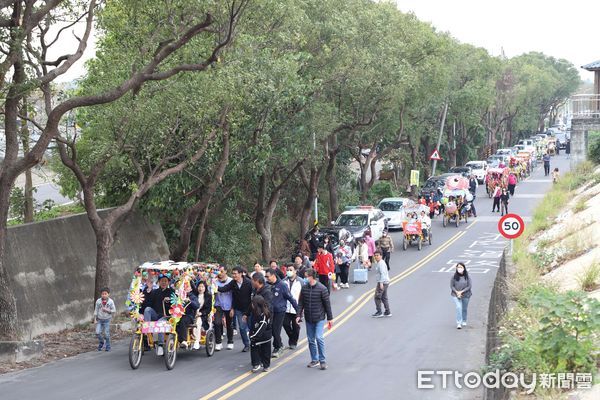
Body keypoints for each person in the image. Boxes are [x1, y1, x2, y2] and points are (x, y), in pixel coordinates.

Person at [297, 268, 333, 370]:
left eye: (306, 276)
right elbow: (301, 303)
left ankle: (322, 361)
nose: (305, 278)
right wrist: (298, 315)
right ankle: (314, 359)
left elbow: (327, 305)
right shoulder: (304, 288)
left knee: (319, 338)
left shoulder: (322, 289)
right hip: (309, 318)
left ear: (311, 277)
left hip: (319, 318)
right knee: (311, 340)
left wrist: (330, 318)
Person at [217, 266, 253, 352]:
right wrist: (213, 285)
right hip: (239, 309)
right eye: (232, 274)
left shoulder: (248, 282)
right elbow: (224, 289)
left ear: (240, 274)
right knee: (242, 328)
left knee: (251, 327)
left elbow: (254, 294)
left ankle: (254, 343)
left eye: (235, 274)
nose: (233, 275)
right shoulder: (233, 283)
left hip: (249, 308)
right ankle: (246, 345)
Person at [265, 268, 299, 358]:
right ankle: (279, 344)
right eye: (265, 277)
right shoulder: (267, 285)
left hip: (280, 311)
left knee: (276, 330)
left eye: (268, 276)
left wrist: (298, 312)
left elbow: (291, 298)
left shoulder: (282, 285)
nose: (266, 278)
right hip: (269, 312)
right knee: (271, 330)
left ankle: (278, 347)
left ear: (273, 275)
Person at [142, 274, 174, 355]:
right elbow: (147, 302)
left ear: (168, 282)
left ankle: (160, 345)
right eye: (162, 281)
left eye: (165, 281)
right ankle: (147, 331)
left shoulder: (171, 292)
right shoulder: (155, 292)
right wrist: (148, 290)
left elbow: (175, 303)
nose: (163, 282)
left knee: (160, 322)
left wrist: (169, 300)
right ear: (159, 282)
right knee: (147, 309)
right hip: (156, 314)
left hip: (166, 316)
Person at [249, 295, 273, 373]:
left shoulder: (264, 315)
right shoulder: (255, 312)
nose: (251, 305)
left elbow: (261, 328)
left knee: (264, 350)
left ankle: (260, 364)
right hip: (260, 334)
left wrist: (253, 336)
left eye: (253, 303)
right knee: (261, 349)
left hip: (264, 336)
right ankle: (261, 363)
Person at [283, 265, 303, 349]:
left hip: (297, 308)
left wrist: (302, 308)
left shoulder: (301, 281)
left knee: (296, 326)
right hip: (286, 308)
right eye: (287, 270)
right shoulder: (283, 281)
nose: (289, 271)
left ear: (295, 271)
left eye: (291, 270)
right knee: (285, 324)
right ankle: (292, 337)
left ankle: (293, 342)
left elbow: (304, 295)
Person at [214, 267, 234, 351]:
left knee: (229, 324)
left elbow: (234, 294)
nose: (220, 273)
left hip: (229, 305)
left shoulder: (231, 281)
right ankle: (218, 343)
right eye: (219, 272)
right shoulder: (214, 281)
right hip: (218, 304)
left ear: (226, 271)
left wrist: (233, 307)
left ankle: (230, 342)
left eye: (222, 271)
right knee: (217, 323)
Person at [176, 284, 200, 348]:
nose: (185, 288)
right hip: (177, 315)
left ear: (190, 289)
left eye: (187, 286)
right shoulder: (177, 295)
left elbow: (197, 306)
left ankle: (183, 340)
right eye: (183, 286)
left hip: (189, 316)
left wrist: (190, 301)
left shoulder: (192, 296)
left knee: (182, 320)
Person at [450, 262, 472, 329]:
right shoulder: (454, 276)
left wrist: (462, 291)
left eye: (461, 267)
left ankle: (464, 320)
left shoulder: (467, 276)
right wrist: (457, 292)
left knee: (464, 308)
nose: (459, 268)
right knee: (458, 307)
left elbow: (469, 286)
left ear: (464, 268)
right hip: (455, 294)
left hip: (466, 294)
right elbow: (451, 286)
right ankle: (459, 323)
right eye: (458, 267)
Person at [94, 287, 116, 352]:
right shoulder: (98, 301)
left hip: (107, 320)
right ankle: (102, 342)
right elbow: (96, 310)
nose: (104, 295)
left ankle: (108, 346)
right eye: (102, 294)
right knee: (97, 332)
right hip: (99, 319)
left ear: (108, 294)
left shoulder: (111, 301)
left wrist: (107, 310)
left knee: (106, 334)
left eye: (105, 294)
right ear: (101, 294)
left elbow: (114, 310)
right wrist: (95, 319)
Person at [192, 281, 212, 350]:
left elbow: (208, 309)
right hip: (192, 314)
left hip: (202, 315)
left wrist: (201, 313)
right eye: (199, 286)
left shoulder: (208, 296)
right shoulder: (193, 295)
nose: (200, 288)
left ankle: (197, 341)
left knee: (198, 322)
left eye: (202, 287)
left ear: (205, 288)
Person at [371, 251, 391, 318]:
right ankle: (387, 311)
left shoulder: (381, 263)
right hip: (385, 282)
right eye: (375, 255)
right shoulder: (379, 263)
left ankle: (379, 312)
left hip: (382, 282)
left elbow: (383, 274)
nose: (376, 257)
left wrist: (381, 283)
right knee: (384, 297)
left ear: (381, 256)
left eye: (378, 255)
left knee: (377, 297)